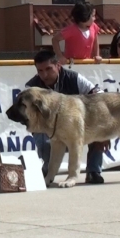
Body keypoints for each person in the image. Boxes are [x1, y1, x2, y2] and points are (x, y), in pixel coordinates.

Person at [25, 49, 107, 183]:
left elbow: (100, 97)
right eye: (40, 71)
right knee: (42, 137)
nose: (44, 75)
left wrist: (103, 127)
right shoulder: (31, 87)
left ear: (58, 66)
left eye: (48, 69)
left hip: (77, 126)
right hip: (49, 128)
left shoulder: (75, 78)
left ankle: (93, 171)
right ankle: (48, 171)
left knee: (98, 131)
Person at [52, 0, 102, 64]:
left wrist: (97, 55)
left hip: (86, 64)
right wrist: (60, 56)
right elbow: (55, 39)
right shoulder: (71, 29)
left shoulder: (94, 27)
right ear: (85, 16)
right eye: (93, 16)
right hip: (71, 64)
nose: (95, 18)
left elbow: (95, 42)